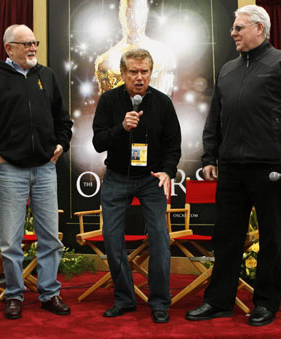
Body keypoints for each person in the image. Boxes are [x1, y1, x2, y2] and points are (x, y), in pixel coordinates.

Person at [185, 5, 281, 327]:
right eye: (233, 28)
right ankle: (218, 302)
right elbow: (215, 116)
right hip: (231, 167)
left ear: (259, 28)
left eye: (239, 28)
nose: (233, 33)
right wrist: (209, 157)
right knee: (226, 237)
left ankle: (266, 303)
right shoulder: (228, 69)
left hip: (272, 168)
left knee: (272, 237)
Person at [0, 24, 73, 320]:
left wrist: (61, 144)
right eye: (26, 43)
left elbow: (63, 118)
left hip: (45, 169)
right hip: (10, 172)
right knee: (10, 241)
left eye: (35, 42)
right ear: (9, 49)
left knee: (50, 238)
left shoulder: (47, 75)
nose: (33, 48)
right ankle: (15, 295)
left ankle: (49, 293)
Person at [92, 48, 181, 323]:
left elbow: (173, 145)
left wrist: (167, 172)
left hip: (152, 179)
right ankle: (124, 299)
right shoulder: (108, 101)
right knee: (112, 238)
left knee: (159, 238)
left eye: (144, 72)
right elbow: (98, 143)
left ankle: (159, 302)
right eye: (133, 72)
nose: (139, 78)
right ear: (123, 74)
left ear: (151, 73)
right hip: (118, 177)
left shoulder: (163, 103)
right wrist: (122, 128)